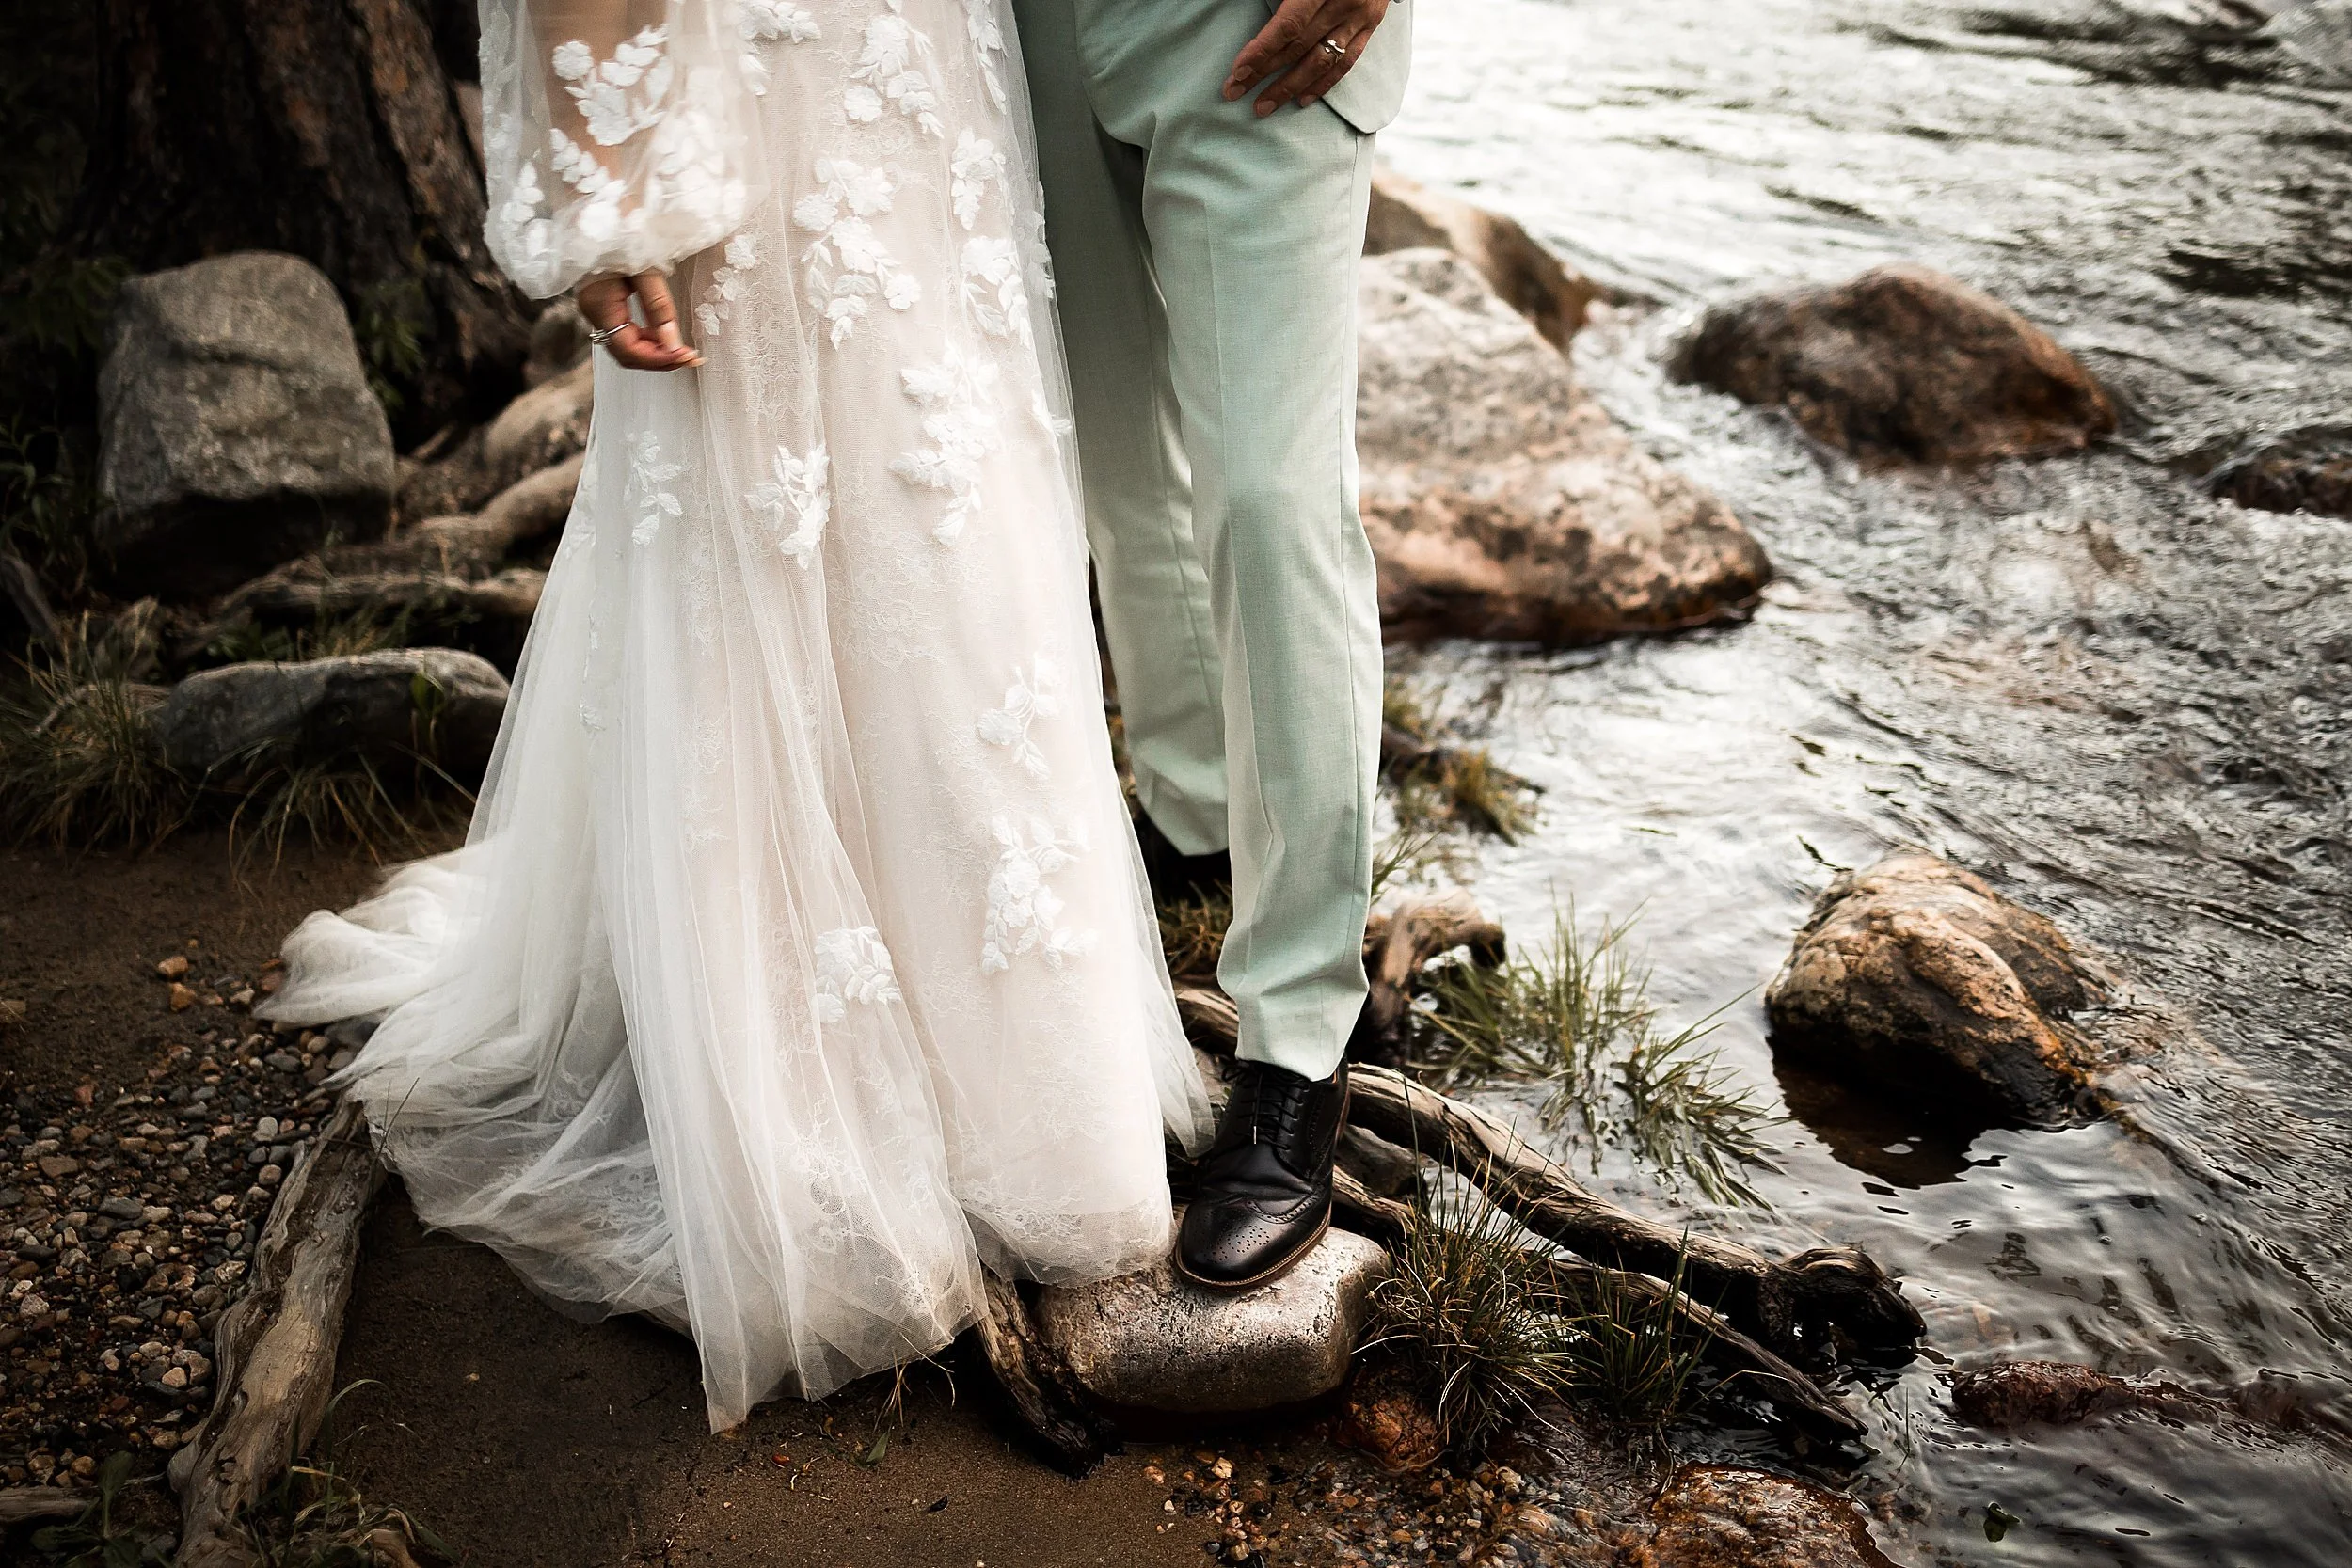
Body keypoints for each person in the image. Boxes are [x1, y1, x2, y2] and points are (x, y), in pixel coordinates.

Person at [262, 0, 1220, 1431]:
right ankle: (792, 1095)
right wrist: (613, 188)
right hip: (761, 103)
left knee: (958, 517)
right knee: (784, 513)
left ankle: (1018, 1081)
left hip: (934, 77)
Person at [1008, 0, 1410, 1290]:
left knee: (1270, 501)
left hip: (1254, 27)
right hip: (1011, 32)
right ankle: (1191, 813)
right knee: (1118, 465)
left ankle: (1297, 1034)